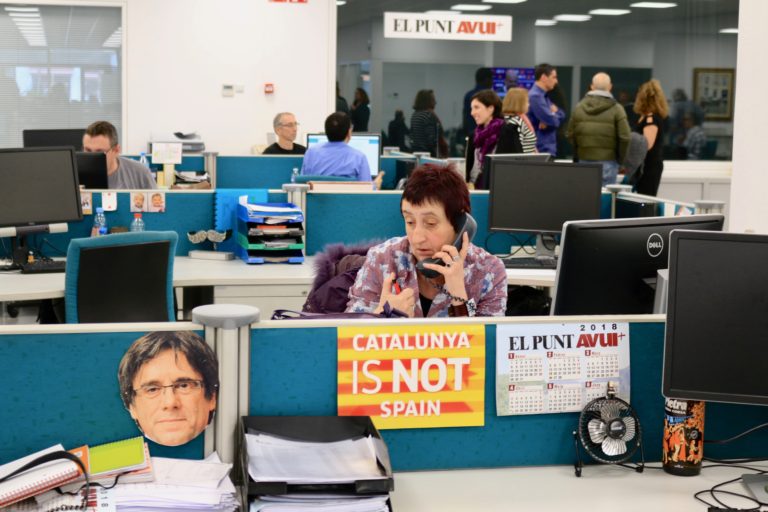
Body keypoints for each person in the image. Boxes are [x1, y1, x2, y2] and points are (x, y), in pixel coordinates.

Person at [346, 164, 507, 318]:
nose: (417, 238)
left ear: (460, 224)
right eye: (410, 222)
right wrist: (383, 315)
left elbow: (486, 335)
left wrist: (460, 298)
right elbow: (348, 330)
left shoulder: (488, 271)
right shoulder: (382, 258)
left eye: (430, 223)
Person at [118, 331, 219, 447]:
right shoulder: (105, 458)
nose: (170, 403)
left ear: (212, 397)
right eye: (152, 389)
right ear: (132, 406)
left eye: (184, 385)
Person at [566, 72, 631, 186]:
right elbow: (625, 137)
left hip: (583, 161)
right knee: (604, 196)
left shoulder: (579, 107)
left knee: (584, 195)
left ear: (592, 86)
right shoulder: (617, 109)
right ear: (610, 87)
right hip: (608, 162)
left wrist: (580, 150)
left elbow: (570, 134)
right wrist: (619, 159)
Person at [465, 89, 523, 189]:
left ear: (491, 108)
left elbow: (517, 165)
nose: (472, 113)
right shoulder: (474, 136)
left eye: (476, 107)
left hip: (499, 190)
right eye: (471, 108)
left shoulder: (507, 132)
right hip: (474, 191)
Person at [83, 121, 157, 189]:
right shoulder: (77, 175)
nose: (92, 157)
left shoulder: (141, 173)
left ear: (116, 150)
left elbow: (156, 198)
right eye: (88, 150)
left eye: (100, 152)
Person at [300, 112, 371, 181]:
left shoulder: (311, 153)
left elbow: (302, 183)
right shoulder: (358, 157)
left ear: (326, 132)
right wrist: (375, 184)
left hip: (317, 190)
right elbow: (366, 187)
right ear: (349, 132)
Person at [632, 79, 669, 196]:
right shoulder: (646, 117)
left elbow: (646, 145)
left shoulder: (650, 119)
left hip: (649, 168)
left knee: (646, 199)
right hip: (646, 166)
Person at [527, 63, 566, 156]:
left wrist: (554, 114)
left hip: (546, 148)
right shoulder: (536, 97)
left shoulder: (543, 96)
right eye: (554, 77)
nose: (556, 81)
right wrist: (552, 115)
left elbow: (562, 115)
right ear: (544, 77)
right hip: (541, 149)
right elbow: (553, 121)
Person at [410, 89, 446, 157]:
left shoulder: (415, 115)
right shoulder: (429, 115)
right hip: (427, 154)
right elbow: (432, 139)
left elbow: (412, 135)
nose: (435, 102)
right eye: (433, 100)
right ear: (427, 101)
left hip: (416, 152)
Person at [502, 87, 537, 154]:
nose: (528, 105)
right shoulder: (516, 122)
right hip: (524, 160)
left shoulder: (508, 119)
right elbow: (517, 150)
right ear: (520, 103)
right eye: (527, 101)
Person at [462, 67, 493, 139]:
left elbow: (465, 117)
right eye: (492, 79)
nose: (492, 82)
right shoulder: (490, 96)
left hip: (471, 134)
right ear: (487, 80)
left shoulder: (468, 95)